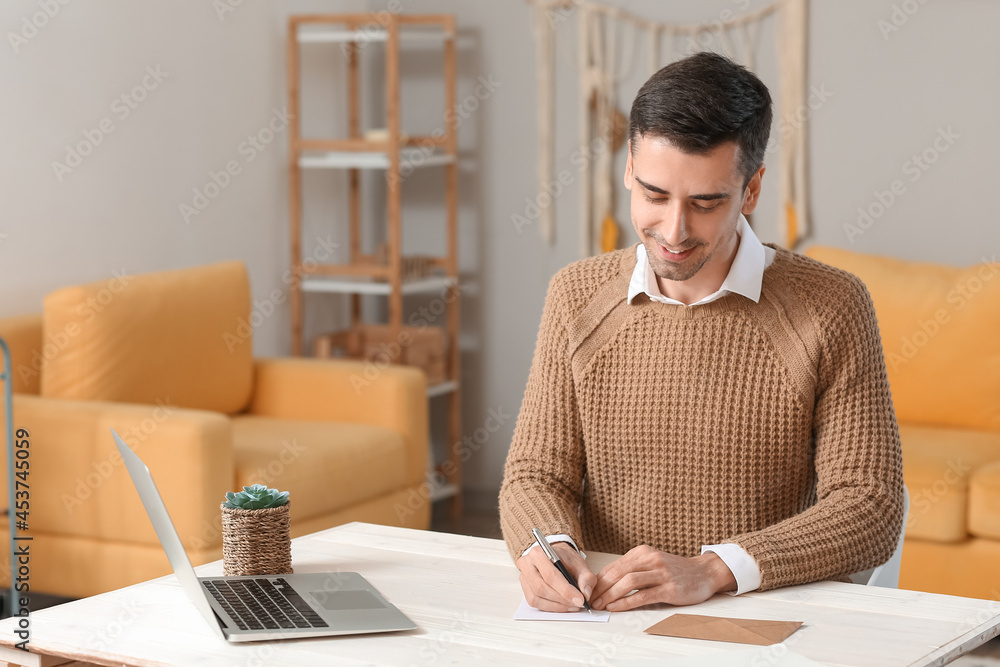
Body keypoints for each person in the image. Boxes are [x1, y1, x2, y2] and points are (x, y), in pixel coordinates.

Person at [498, 52, 904, 613]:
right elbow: (535, 474)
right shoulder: (576, 295)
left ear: (752, 189)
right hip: (608, 625)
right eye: (654, 194)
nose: (673, 231)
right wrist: (548, 544)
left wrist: (714, 570)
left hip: (763, 622)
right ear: (628, 171)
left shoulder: (832, 307)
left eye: (706, 202)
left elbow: (870, 506)